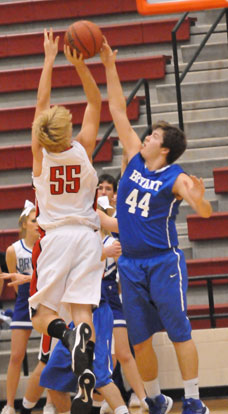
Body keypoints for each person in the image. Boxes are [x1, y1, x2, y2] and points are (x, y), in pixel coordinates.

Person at [100, 39, 212, 414]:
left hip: (163, 262)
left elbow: (203, 209)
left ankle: (194, 399)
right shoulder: (133, 160)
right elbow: (117, 108)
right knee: (140, 340)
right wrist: (109, 65)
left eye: (152, 137)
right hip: (130, 265)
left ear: (163, 149)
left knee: (180, 331)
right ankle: (155, 398)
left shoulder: (174, 176)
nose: (145, 137)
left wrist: (198, 197)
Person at [28, 28, 104, 414]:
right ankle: (85, 374)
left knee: (41, 317)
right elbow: (95, 102)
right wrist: (82, 66)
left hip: (57, 238)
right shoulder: (84, 149)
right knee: (82, 310)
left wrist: (48, 58)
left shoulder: (41, 157)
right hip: (89, 237)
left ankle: (70, 338)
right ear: (68, 131)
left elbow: (41, 103)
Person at [39, 244, 130, 414]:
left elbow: (87, 258)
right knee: (51, 377)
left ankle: (122, 410)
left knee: (99, 374)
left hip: (97, 313)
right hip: (74, 322)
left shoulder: (85, 237)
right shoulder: (54, 244)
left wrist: (102, 252)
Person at [97, 183, 147, 413]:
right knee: (104, 356)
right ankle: (108, 396)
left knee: (123, 354)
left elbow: (121, 273)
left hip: (109, 296)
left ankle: (144, 397)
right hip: (87, 299)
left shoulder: (111, 242)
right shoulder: (82, 242)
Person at [0, 201, 39, 414]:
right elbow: (15, 285)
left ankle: (50, 403)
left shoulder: (47, 245)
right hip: (24, 303)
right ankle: (9, 405)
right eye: (34, 221)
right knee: (16, 356)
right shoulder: (13, 250)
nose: (37, 224)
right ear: (24, 224)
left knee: (47, 358)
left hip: (44, 303)